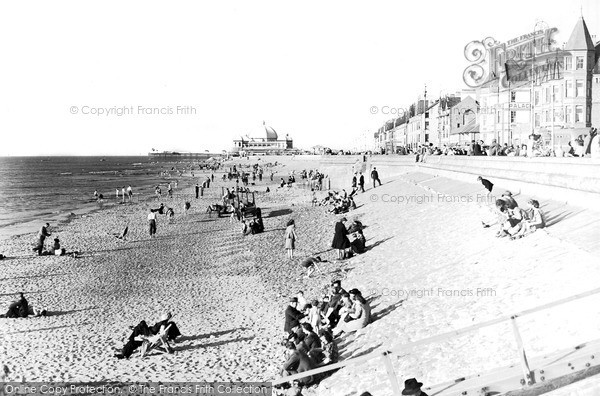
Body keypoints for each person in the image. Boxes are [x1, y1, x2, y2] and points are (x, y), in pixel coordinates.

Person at [114, 313, 182, 359]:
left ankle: (124, 353)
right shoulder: (166, 324)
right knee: (135, 337)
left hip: (150, 336)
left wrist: (144, 337)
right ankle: (124, 352)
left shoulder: (162, 324)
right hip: (152, 336)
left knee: (140, 327)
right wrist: (171, 337)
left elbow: (154, 333)